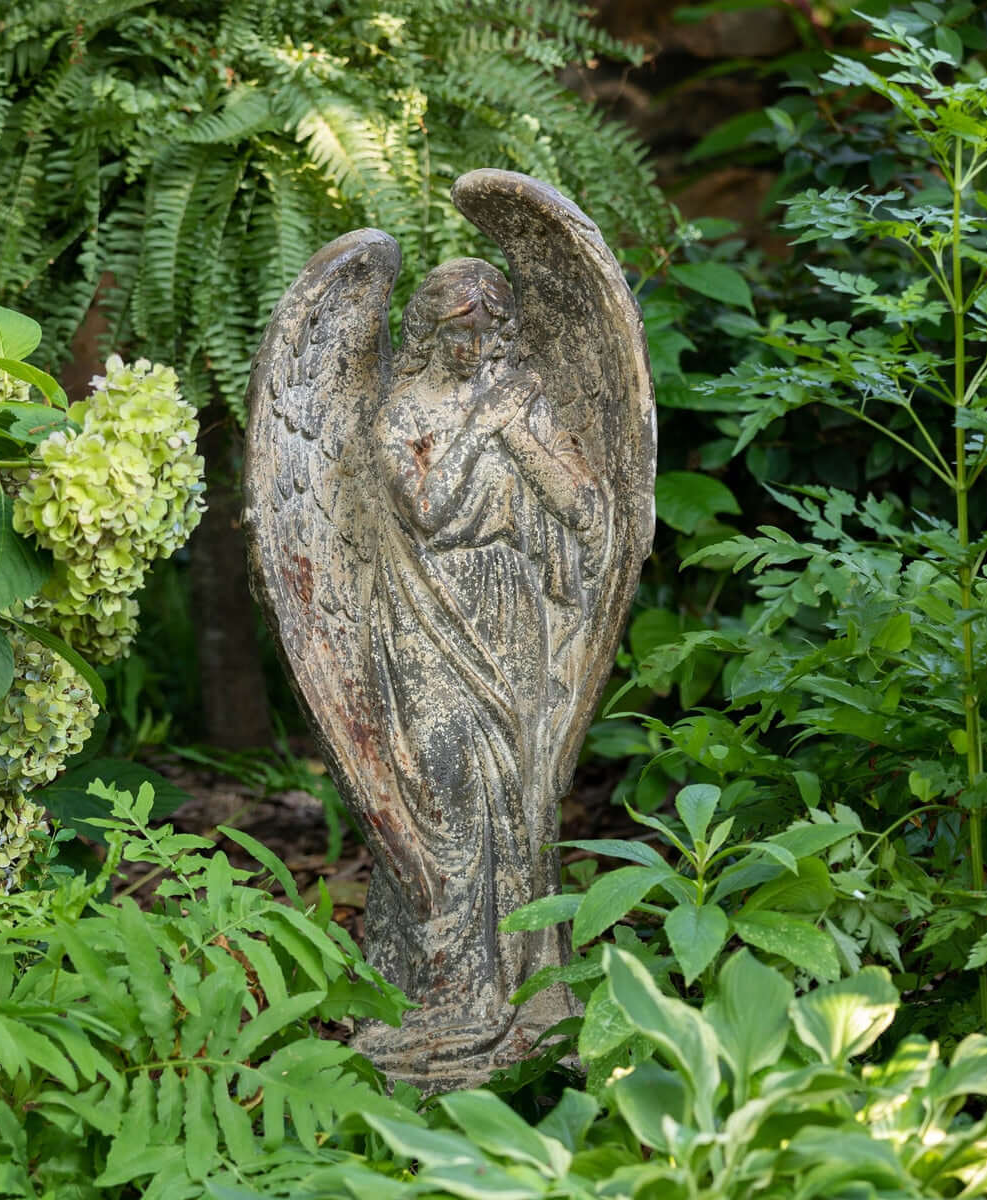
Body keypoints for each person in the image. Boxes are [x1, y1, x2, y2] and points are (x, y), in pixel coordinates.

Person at [358, 257, 604, 1074]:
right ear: (429, 332)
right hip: (425, 611)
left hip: (508, 607)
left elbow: (582, 508)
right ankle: (443, 993)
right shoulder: (402, 410)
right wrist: (481, 425)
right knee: (441, 791)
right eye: (462, 333)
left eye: (491, 333)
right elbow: (426, 510)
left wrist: (518, 431)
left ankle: (524, 993)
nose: (478, 349)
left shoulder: (519, 402)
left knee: (520, 793)